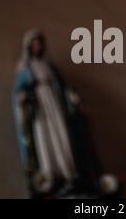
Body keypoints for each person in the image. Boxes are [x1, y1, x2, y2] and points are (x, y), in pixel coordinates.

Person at [13, 29, 77, 196]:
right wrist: (22, 97)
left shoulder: (49, 66)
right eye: (34, 43)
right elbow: (19, 89)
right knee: (44, 135)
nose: (38, 46)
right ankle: (50, 174)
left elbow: (63, 86)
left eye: (40, 43)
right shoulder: (25, 67)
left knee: (61, 132)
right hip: (38, 104)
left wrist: (72, 98)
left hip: (54, 102)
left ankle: (67, 171)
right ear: (29, 47)